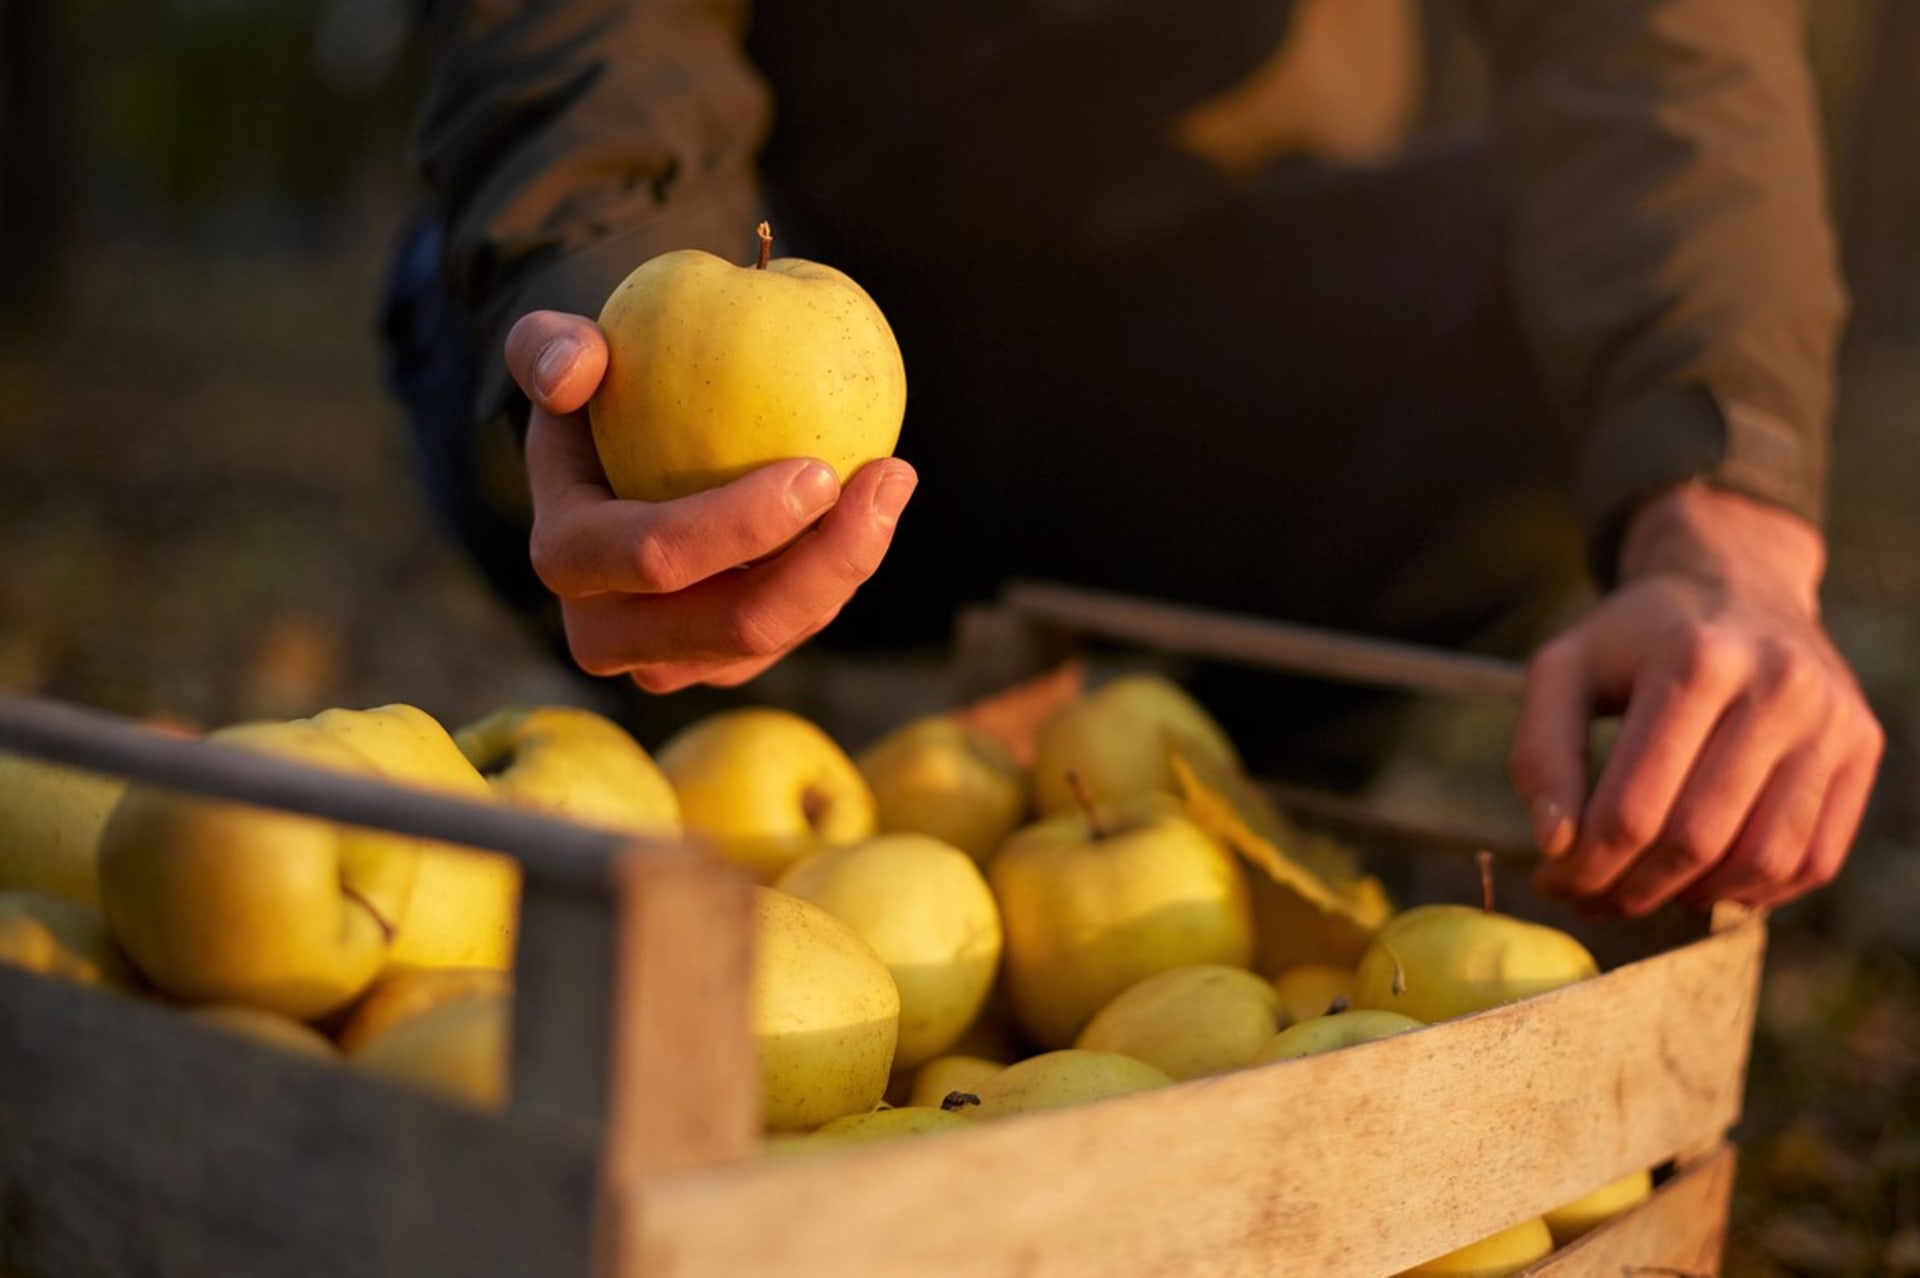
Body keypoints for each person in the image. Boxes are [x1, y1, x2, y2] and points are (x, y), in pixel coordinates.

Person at [383, 0, 1883, 919]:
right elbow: (587, 28)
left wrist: (1722, 512)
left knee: (1548, 300)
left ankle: (1247, 808)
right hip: (812, 260)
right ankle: (712, 761)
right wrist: (610, 288)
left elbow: (1654, 46)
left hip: (1234, 336)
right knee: (496, 297)